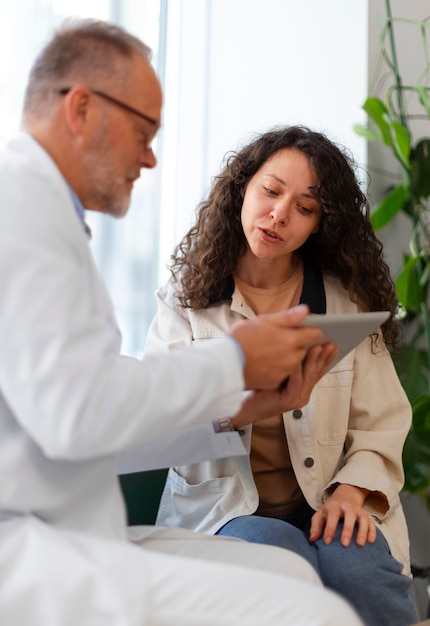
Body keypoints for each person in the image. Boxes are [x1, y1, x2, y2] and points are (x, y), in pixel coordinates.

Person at [0, 17, 366, 626]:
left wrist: (237, 409)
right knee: (316, 615)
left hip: (68, 523)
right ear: (82, 108)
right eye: (143, 131)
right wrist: (234, 360)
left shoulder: (43, 215)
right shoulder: (21, 213)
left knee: (291, 572)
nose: (149, 156)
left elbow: (86, 418)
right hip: (31, 543)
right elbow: (77, 417)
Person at [145, 126, 420, 626]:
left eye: (305, 207)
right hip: (227, 512)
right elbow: (160, 425)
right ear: (242, 189)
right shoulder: (183, 303)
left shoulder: (346, 303)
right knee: (280, 558)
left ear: (319, 224)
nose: (279, 215)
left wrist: (351, 493)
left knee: (357, 569)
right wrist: (250, 402)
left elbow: (382, 423)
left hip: (326, 497)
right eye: (271, 191)